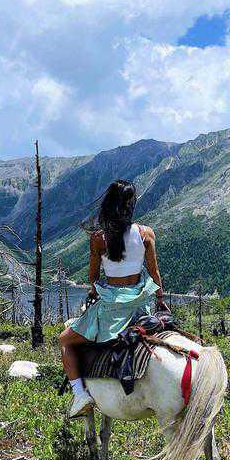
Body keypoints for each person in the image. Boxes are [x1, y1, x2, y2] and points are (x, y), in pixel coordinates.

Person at [59, 179, 169, 418]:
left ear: (109, 205)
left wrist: (93, 289)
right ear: (131, 205)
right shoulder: (145, 233)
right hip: (141, 305)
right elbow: (154, 272)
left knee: (65, 341)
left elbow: (92, 276)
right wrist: (160, 298)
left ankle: (80, 395)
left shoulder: (99, 239)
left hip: (111, 308)